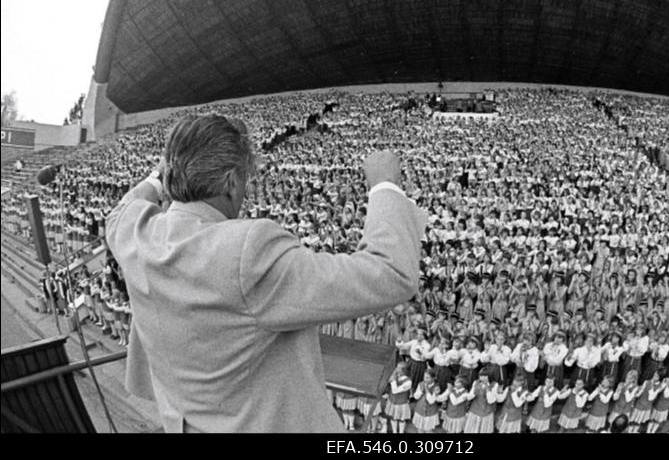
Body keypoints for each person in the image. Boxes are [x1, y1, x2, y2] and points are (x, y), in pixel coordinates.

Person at [104, 115, 427, 432]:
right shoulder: (246, 251)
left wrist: (156, 179)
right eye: (245, 179)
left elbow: (123, 209)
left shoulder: (135, 232)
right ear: (231, 182)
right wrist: (385, 186)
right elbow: (390, 272)